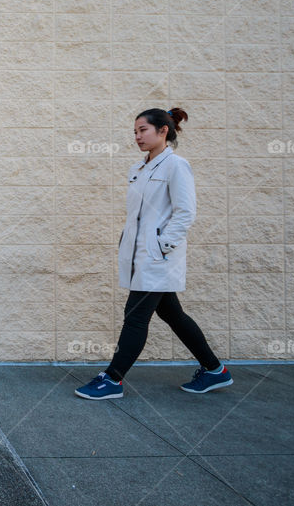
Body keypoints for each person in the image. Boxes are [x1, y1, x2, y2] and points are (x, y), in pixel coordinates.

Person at [74, 107, 233, 400]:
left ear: (163, 131)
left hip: (158, 258)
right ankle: (215, 370)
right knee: (173, 314)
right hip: (139, 256)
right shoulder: (137, 169)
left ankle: (112, 380)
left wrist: (162, 246)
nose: (137, 136)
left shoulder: (176, 166)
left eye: (143, 130)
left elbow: (185, 212)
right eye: (135, 132)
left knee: (135, 317)